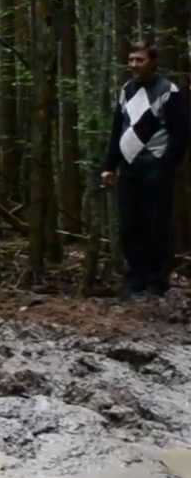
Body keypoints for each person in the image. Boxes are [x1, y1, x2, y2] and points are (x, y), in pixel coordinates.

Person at [101, 42, 189, 299]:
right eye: (130, 60)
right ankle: (135, 280)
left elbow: (181, 134)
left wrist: (166, 165)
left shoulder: (168, 91)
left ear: (153, 62)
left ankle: (157, 281)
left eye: (139, 60)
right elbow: (118, 128)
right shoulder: (126, 90)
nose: (133, 65)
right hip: (129, 168)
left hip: (157, 168)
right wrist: (109, 165)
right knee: (130, 225)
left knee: (157, 225)